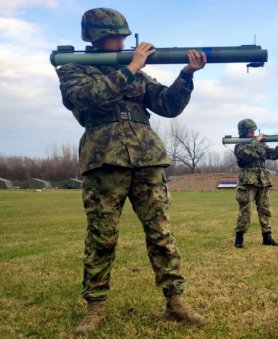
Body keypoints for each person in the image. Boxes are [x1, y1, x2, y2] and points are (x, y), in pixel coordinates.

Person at [55, 8, 207, 336]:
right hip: (104, 159)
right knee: (102, 236)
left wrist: (186, 75)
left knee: (160, 232)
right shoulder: (72, 67)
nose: (121, 41)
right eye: (114, 35)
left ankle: (175, 301)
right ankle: (95, 307)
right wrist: (131, 68)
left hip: (147, 158)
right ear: (95, 36)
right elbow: (86, 99)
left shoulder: (135, 72)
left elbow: (167, 105)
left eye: (124, 35)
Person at [233, 119, 278, 248]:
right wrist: (256, 141)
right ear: (243, 132)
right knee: (245, 210)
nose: (252, 133)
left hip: (262, 180)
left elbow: (273, 155)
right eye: (249, 131)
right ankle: (239, 238)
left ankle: (267, 237)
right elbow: (246, 155)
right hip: (248, 180)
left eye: (253, 130)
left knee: (265, 209)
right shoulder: (240, 146)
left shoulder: (260, 144)